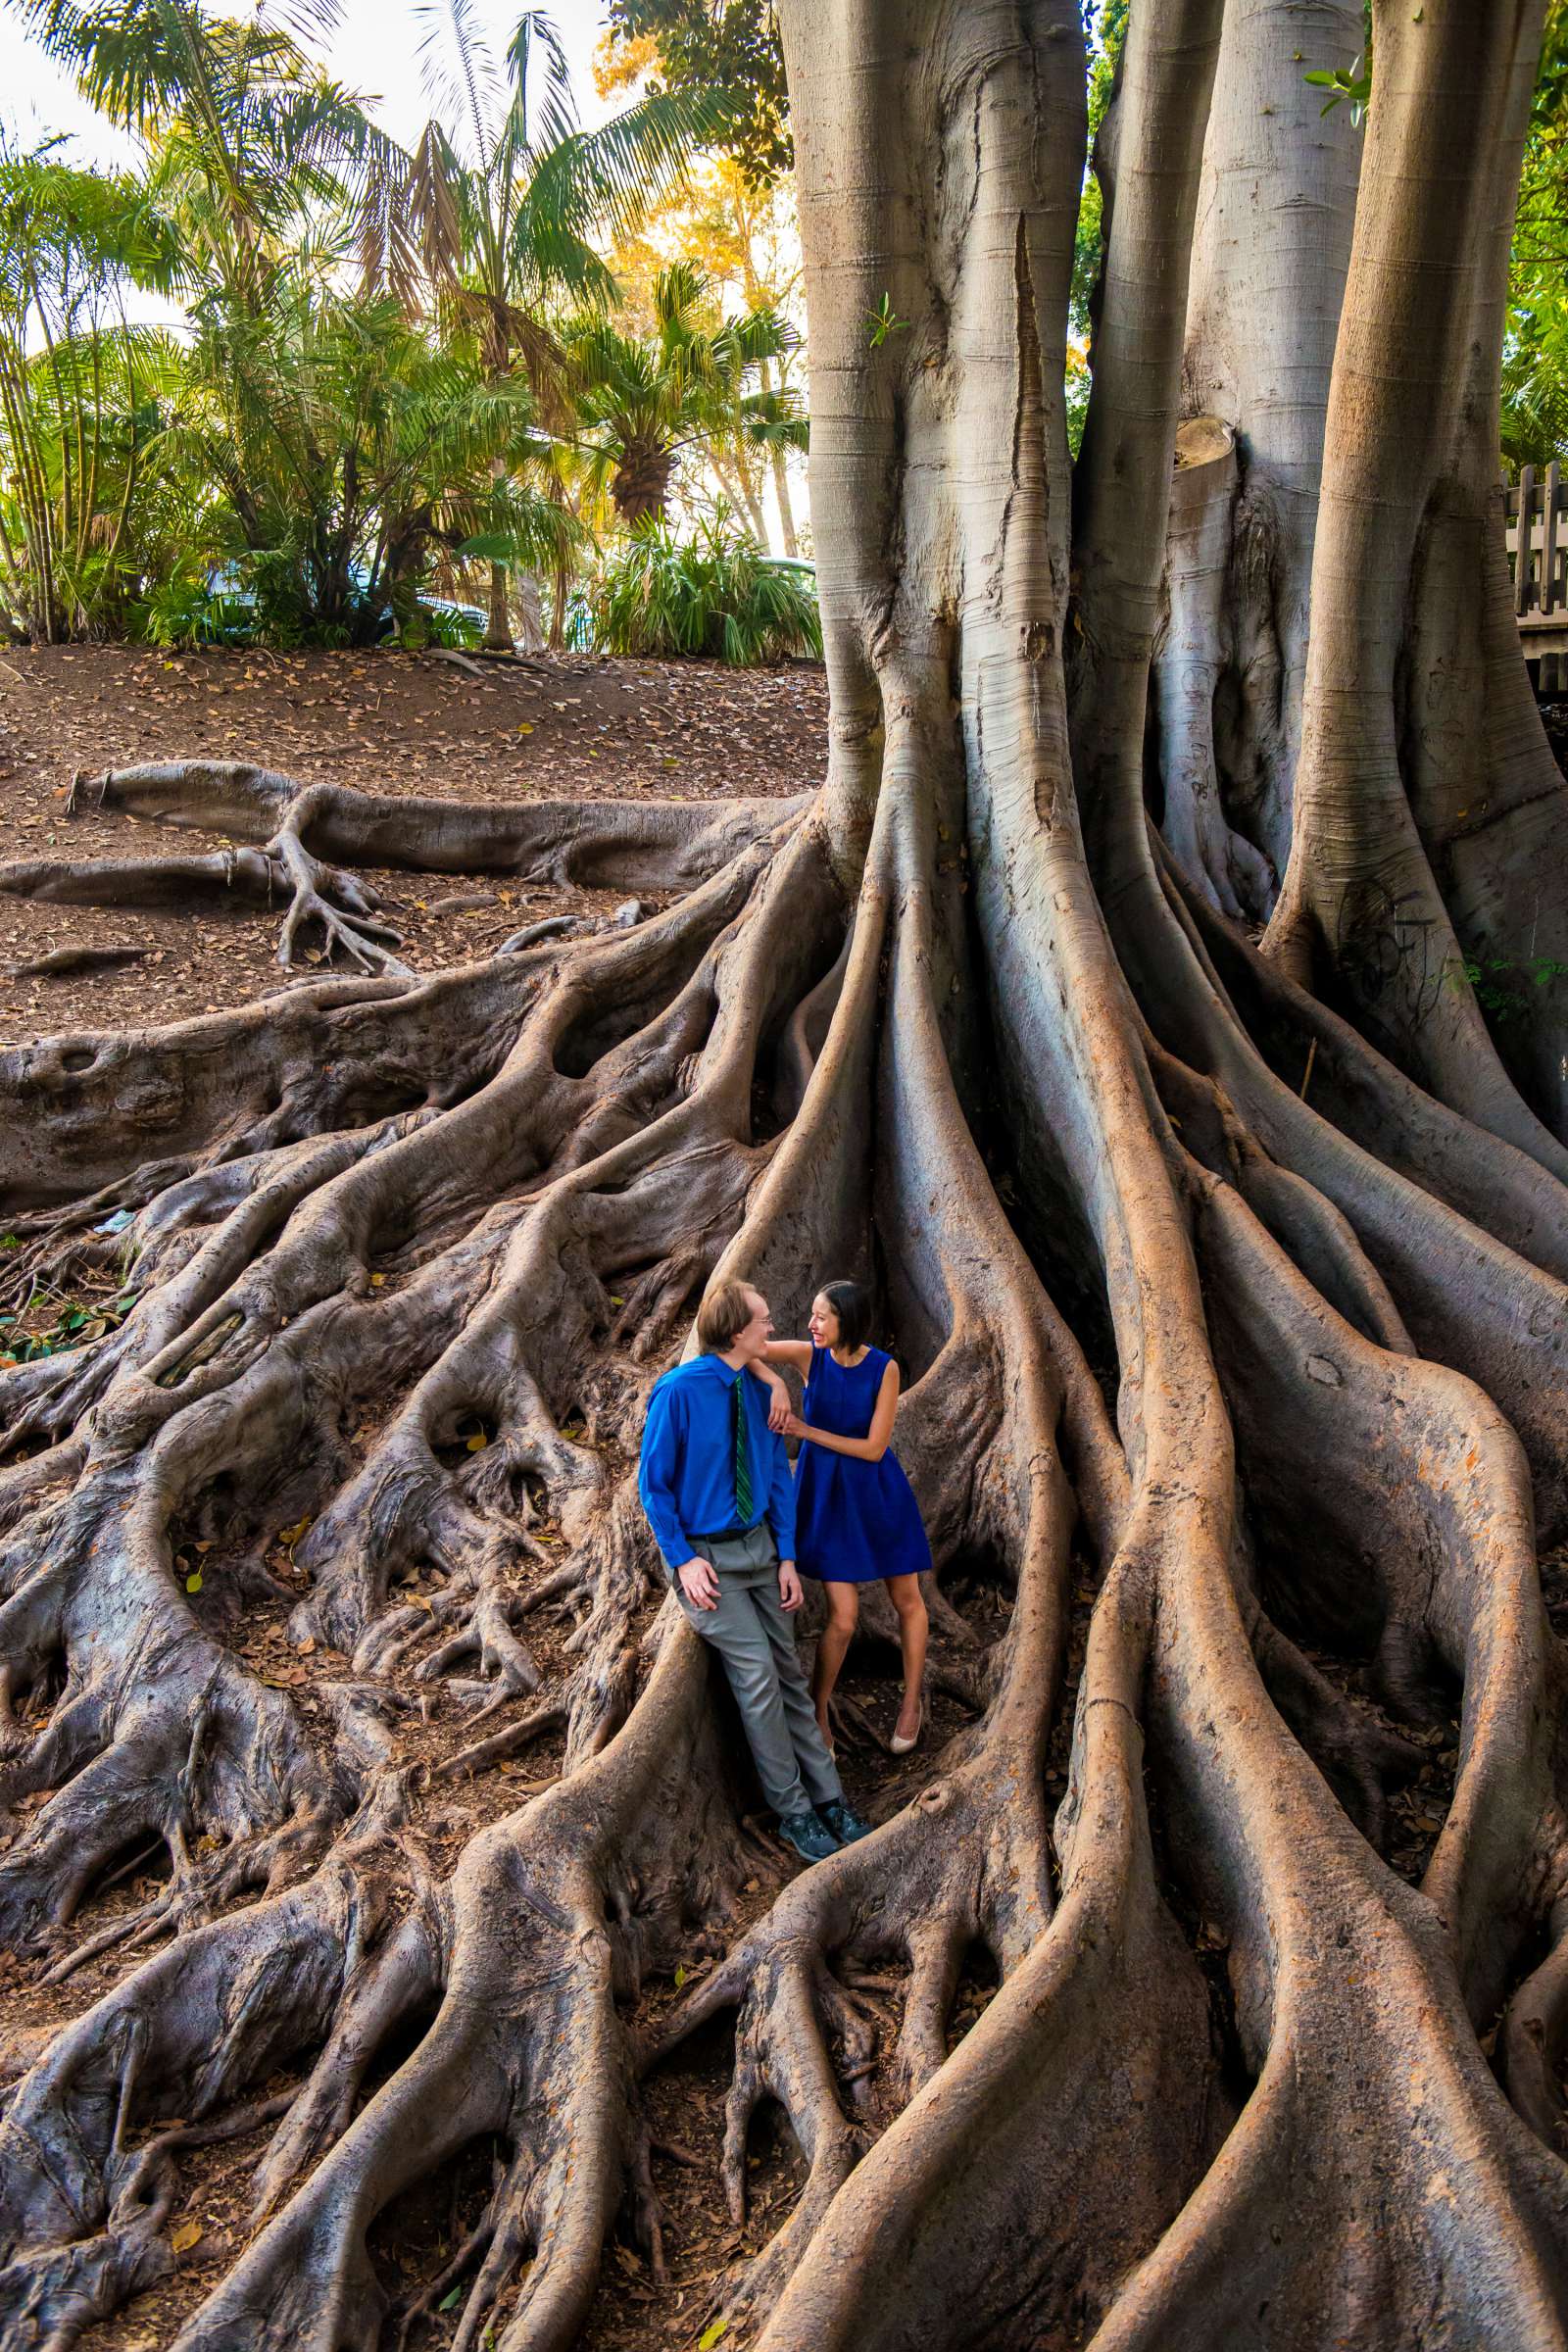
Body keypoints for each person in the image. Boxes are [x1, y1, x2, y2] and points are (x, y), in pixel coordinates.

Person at [638, 1278, 872, 1865]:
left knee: (789, 1676)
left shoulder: (761, 1392)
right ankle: (794, 1813)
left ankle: (832, 1801)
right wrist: (683, 1559)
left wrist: (788, 1557)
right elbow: (653, 1485)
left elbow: (774, 1480)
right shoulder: (680, 1392)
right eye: (764, 1320)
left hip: (762, 1554)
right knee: (760, 1683)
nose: (773, 1328)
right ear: (738, 1331)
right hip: (710, 1565)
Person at [760, 1281, 930, 1754]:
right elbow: (747, 1347)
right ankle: (819, 1709)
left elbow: (875, 1449)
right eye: (812, 1315)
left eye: (821, 1317)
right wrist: (776, 1382)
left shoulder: (884, 1368)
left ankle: (911, 1702)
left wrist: (804, 1430)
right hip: (829, 1499)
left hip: (877, 1495)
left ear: (847, 1322)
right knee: (843, 1619)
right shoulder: (807, 1357)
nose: (811, 1324)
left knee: (908, 1600)